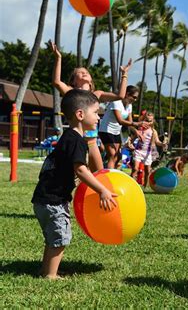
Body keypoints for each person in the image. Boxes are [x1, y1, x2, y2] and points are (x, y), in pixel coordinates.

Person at [31, 89, 117, 280]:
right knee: (60, 238)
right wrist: (102, 189)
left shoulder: (68, 137)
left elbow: (68, 169)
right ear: (80, 114)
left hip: (44, 199)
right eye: (95, 112)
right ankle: (50, 275)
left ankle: (46, 269)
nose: (98, 117)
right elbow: (81, 169)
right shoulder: (77, 141)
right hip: (53, 201)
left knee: (54, 238)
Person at [50, 42, 131, 173]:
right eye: (80, 73)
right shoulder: (72, 92)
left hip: (92, 138)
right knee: (74, 172)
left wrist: (124, 74)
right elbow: (56, 82)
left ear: (91, 80)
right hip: (75, 137)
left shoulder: (96, 94)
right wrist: (58, 58)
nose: (84, 73)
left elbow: (120, 95)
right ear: (74, 81)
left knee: (98, 173)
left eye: (86, 72)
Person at [98, 85, 148, 169]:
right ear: (127, 94)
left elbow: (129, 123)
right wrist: (137, 124)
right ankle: (109, 177)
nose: (135, 100)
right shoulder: (116, 102)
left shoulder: (129, 106)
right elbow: (120, 121)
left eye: (136, 98)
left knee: (118, 156)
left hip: (116, 132)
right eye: (134, 97)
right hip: (106, 130)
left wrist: (136, 132)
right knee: (112, 155)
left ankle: (107, 169)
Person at [128, 112, 167, 188]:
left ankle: (144, 187)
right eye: (146, 120)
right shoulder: (139, 129)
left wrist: (163, 144)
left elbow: (157, 142)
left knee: (147, 171)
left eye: (150, 121)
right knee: (135, 169)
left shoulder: (153, 131)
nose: (148, 122)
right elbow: (132, 139)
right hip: (138, 151)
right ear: (143, 120)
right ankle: (130, 185)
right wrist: (130, 144)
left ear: (153, 121)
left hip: (147, 153)